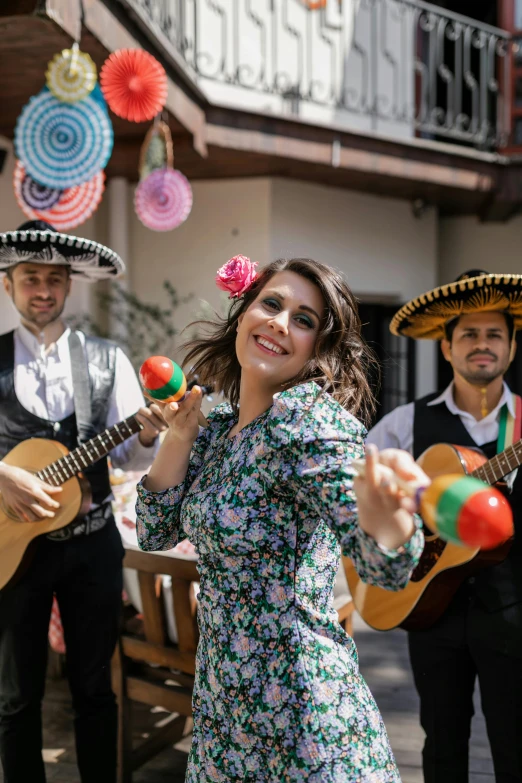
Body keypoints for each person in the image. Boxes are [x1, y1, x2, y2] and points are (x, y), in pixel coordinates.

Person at [136, 254, 428, 782]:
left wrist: (389, 522)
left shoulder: (308, 425)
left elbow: (384, 566)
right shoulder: (220, 426)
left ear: (317, 349)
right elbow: (155, 531)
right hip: (223, 712)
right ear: (243, 311)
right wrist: (178, 437)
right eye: (271, 303)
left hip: (304, 718)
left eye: (304, 319)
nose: (279, 322)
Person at [0, 220, 166, 783]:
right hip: (13, 552)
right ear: (8, 286)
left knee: (95, 687)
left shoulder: (106, 359)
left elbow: (132, 464)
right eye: (29, 278)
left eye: (53, 278)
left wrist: (146, 434)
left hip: (92, 543)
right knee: (15, 695)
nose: (42, 289)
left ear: (69, 285)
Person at [366, 270, 522, 783]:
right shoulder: (404, 424)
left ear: (512, 346)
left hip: (514, 609)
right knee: (442, 740)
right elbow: (359, 498)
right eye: (469, 335)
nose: (482, 344)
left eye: (493, 334)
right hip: (429, 602)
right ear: (448, 348)